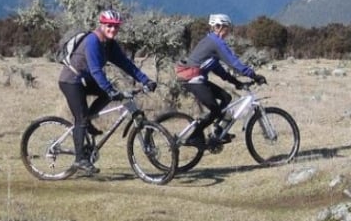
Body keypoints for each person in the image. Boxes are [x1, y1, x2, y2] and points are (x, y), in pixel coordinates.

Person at [58, 9, 157, 176]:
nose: (113, 29)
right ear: (102, 25)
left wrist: (145, 80)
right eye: (109, 26)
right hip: (71, 81)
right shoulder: (93, 42)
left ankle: (87, 122)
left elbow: (127, 65)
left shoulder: (109, 44)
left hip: (85, 80)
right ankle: (80, 159)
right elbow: (96, 71)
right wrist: (111, 90)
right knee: (81, 118)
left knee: (102, 98)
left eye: (116, 27)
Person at [181, 13, 266, 143]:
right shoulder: (216, 43)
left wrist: (236, 82)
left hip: (198, 79)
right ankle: (195, 136)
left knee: (226, 97)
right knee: (215, 109)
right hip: (193, 80)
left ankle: (219, 131)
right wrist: (254, 75)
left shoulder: (210, 41)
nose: (228, 32)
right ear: (218, 27)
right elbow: (234, 63)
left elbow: (218, 69)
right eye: (227, 28)